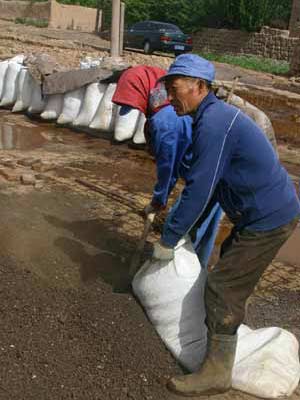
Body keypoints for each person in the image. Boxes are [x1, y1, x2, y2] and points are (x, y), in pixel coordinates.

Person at [152, 54, 300, 396]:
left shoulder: (216, 122)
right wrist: (176, 221)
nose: (170, 97)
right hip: (258, 214)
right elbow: (200, 178)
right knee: (229, 275)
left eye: (175, 90)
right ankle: (227, 331)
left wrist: (169, 238)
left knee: (222, 286)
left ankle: (216, 374)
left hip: (269, 218)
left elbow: (200, 190)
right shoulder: (209, 118)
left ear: (200, 87)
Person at [112, 65, 222, 268]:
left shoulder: (166, 122)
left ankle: (180, 277)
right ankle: (189, 270)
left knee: (186, 228)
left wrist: (159, 200)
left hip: (210, 180)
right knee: (199, 229)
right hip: (208, 176)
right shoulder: (170, 113)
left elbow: (168, 169)